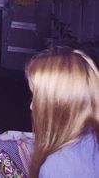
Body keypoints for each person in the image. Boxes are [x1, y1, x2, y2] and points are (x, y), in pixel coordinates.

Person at [25, 46, 99, 178]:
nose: (31, 106)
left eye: (36, 97)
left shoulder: (57, 166)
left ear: (59, 105)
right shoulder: (91, 136)